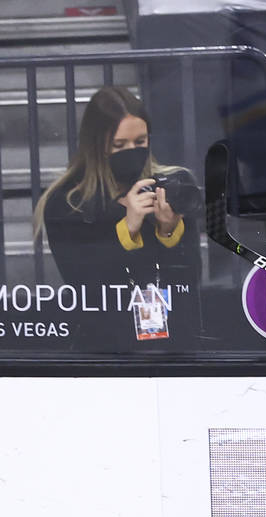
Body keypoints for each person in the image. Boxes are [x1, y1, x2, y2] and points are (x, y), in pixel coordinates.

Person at [34, 86, 201, 351]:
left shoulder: (174, 185)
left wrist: (169, 232)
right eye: (119, 145)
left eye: (140, 142)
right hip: (105, 348)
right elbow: (84, 282)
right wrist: (127, 229)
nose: (132, 151)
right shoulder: (67, 204)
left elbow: (191, 279)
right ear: (97, 146)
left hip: (173, 342)